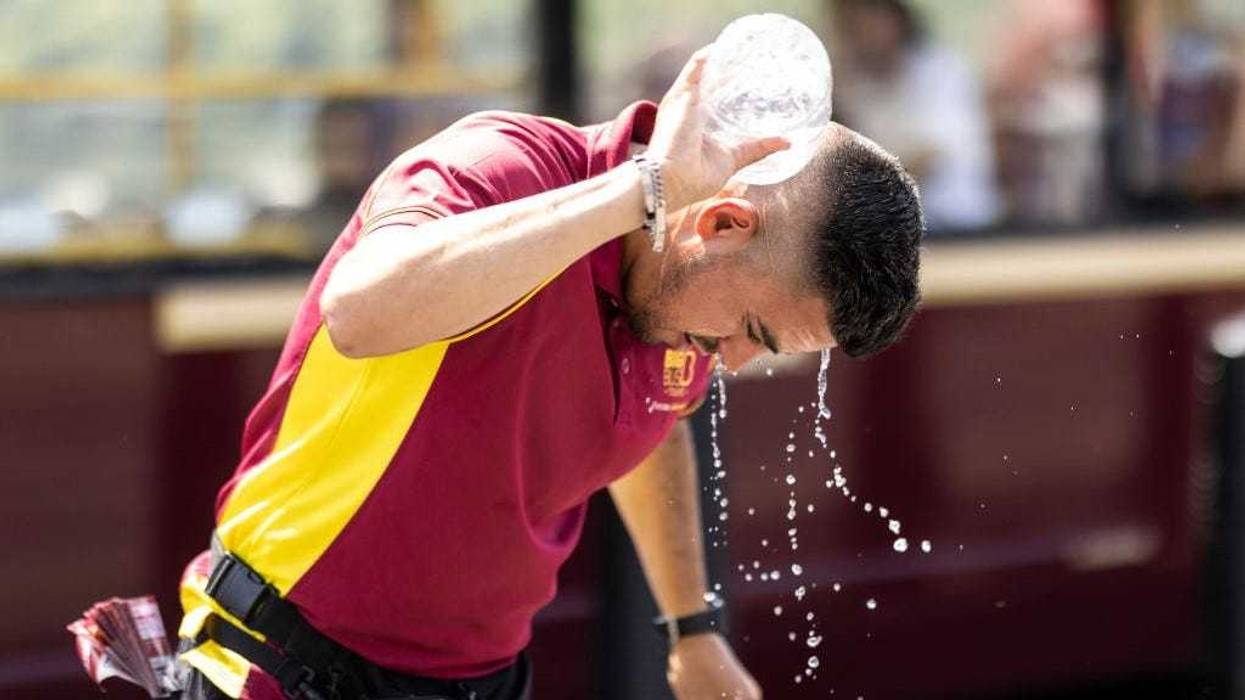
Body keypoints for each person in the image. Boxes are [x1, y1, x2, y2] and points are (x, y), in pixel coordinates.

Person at [173, 47, 923, 700]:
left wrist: (692, 628)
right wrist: (640, 194)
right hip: (285, 657)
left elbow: (650, 425)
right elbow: (361, 311)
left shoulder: (685, 303)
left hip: (482, 679)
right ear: (721, 225)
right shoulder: (504, 168)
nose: (732, 361)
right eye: (753, 332)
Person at [832, 0, 998, 232]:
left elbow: (931, 157)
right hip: (896, 231)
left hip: (959, 225)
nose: (860, 31)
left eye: (867, 17)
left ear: (896, 18)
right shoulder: (851, 83)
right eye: (848, 23)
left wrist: (862, 186)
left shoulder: (942, 70)